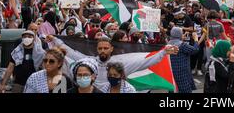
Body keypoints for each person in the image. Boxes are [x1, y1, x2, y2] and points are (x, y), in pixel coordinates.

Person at [46, 35, 178, 92]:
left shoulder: (119, 64)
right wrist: (54, 39)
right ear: (97, 49)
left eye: (105, 48)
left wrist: (163, 52)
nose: (103, 51)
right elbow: (69, 52)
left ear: (111, 49)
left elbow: (145, 61)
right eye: (100, 48)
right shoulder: (89, 62)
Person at [168, 27, 201, 93]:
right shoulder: (182, 45)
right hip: (182, 71)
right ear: (179, 34)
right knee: (185, 89)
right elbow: (195, 50)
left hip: (171, 70)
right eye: (182, 33)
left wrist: (181, 38)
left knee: (173, 88)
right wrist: (196, 40)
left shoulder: (168, 43)